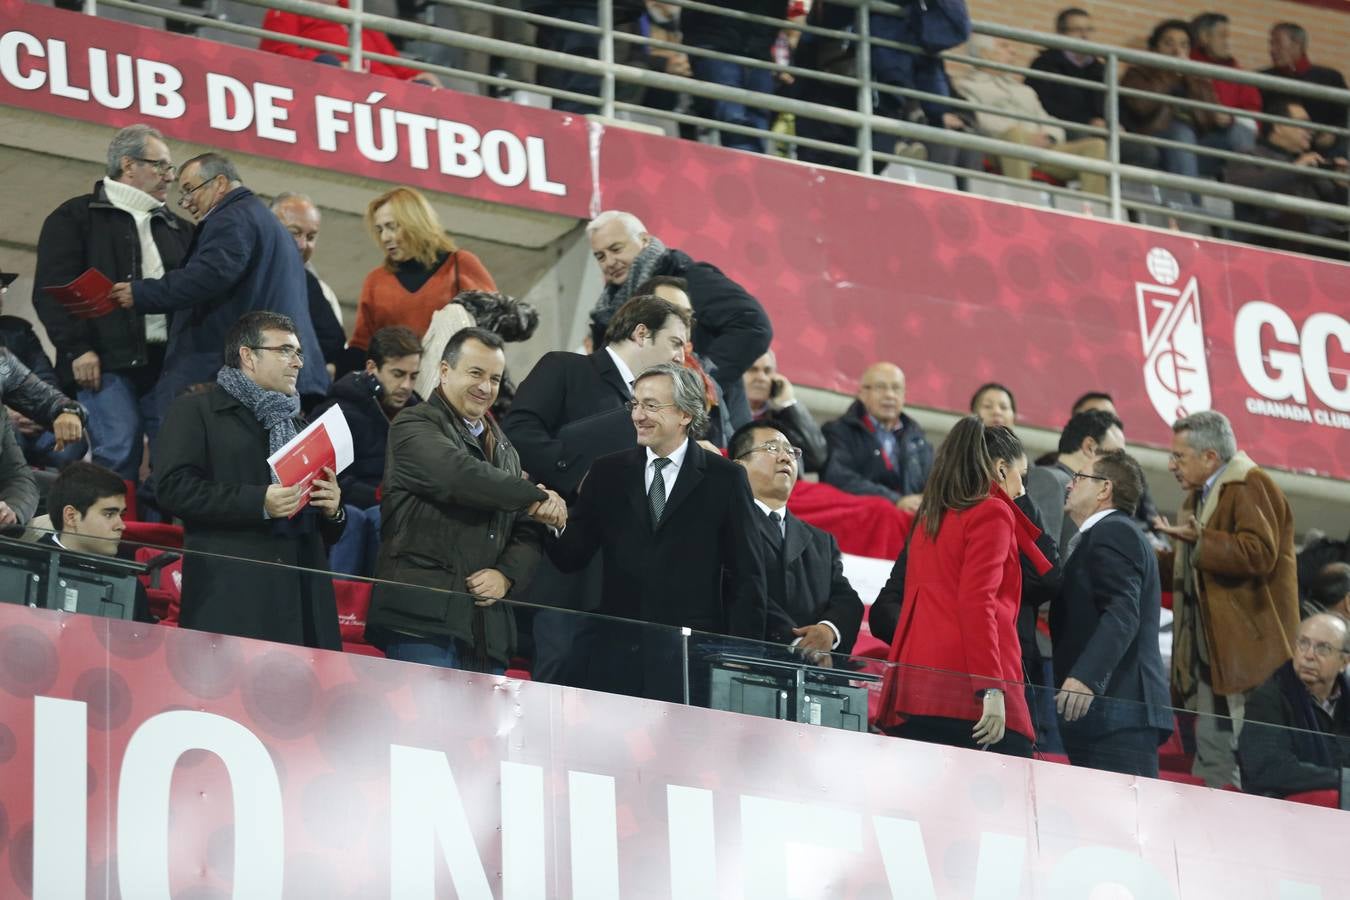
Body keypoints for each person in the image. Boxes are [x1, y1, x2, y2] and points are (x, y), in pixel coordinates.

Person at [548, 362, 768, 702]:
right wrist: (553, 519)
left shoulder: (725, 479)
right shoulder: (608, 472)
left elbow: (747, 574)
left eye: (651, 405)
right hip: (612, 653)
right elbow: (572, 556)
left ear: (684, 414)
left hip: (686, 659)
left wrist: (739, 653)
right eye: (634, 404)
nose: (638, 415)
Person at [502, 294, 688, 684]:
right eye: (675, 343)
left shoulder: (666, 409)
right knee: (554, 691)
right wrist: (583, 478)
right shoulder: (566, 368)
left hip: (626, 582)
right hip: (563, 566)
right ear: (641, 333)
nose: (681, 357)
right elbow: (519, 434)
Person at [366, 328, 564, 673]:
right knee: (426, 728)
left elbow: (528, 530)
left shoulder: (506, 451)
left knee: (481, 731)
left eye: (495, 378)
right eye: (476, 373)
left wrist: (505, 577)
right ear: (444, 371)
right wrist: (537, 497)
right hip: (422, 622)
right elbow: (460, 476)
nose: (486, 387)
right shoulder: (413, 425)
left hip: (487, 632)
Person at [155, 311, 346, 649]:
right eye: (285, 351)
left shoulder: (301, 428)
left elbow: (326, 531)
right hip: (231, 598)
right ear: (248, 356)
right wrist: (258, 502)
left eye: (299, 353)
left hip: (303, 604)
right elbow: (173, 489)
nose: (298, 363)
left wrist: (333, 509)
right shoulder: (195, 411)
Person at [870, 422, 1062, 751]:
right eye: (1022, 475)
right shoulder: (993, 512)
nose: (1021, 489)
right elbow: (978, 602)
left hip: (915, 690)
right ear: (1002, 469)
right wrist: (992, 689)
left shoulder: (932, 516)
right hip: (971, 692)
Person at [109, 153, 331, 413]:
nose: (186, 202)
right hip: (280, 375)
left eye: (191, 190)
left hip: (238, 377)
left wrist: (142, 293)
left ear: (220, 183)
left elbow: (207, 275)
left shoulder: (231, 217)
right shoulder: (270, 227)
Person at [33, 124, 192, 481]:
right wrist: (78, 349)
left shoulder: (181, 231)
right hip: (102, 362)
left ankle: (152, 536)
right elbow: (51, 291)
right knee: (119, 447)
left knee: (175, 460)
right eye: (161, 166)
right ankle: (98, 535)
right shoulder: (74, 216)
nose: (170, 176)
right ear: (128, 164)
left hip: (168, 366)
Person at [1155, 410, 1299, 788]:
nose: (1171, 464)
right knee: (1213, 751)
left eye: (1179, 456)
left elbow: (1258, 552)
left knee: (1243, 754)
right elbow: (1197, 564)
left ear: (1210, 457)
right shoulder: (1198, 497)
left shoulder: (1249, 484)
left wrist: (1200, 540)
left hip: (1249, 655)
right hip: (1214, 652)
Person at [585, 210, 772, 428]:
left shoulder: (689, 278)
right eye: (600, 256)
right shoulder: (607, 310)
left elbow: (753, 324)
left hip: (709, 426)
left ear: (645, 240)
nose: (610, 261)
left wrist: (698, 381)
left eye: (616, 249)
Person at [1053, 449, 1172, 776]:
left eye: (1079, 478)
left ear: (1104, 489)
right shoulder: (1107, 534)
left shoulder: (1113, 531)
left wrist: (1086, 677)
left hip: (1118, 711)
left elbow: (1122, 612)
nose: (1069, 485)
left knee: (1119, 823)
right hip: (1109, 713)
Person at [730, 422, 863, 658]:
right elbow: (736, 591)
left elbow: (847, 599)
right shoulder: (725, 523)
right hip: (743, 662)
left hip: (809, 675)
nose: (785, 458)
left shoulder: (821, 541)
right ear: (739, 466)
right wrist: (800, 642)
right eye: (772, 448)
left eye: (791, 451)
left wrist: (828, 630)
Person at [311, 326, 422, 577]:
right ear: (372, 368)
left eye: (414, 376)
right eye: (398, 374)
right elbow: (327, 480)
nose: (406, 385)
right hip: (353, 516)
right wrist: (384, 496)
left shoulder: (421, 416)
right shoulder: (335, 413)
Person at [349, 187, 497, 352]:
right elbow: (361, 345)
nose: (385, 237)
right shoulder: (375, 281)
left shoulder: (460, 264)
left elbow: (493, 327)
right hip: (401, 377)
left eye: (392, 227)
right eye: (380, 230)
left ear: (416, 223)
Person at [953, 37, 1107, 195]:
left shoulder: (1025, 91)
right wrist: (1025, 137)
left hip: (1041, 149)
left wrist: (1049, 138)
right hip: (1001, 148)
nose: (1012, 51)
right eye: (1004, 46)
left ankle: (1095, 213)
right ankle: (1023, 205)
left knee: (1096, 147)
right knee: (1014, 135)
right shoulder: (966, 86)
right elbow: (979, 120)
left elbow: (1048, 120)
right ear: (984, 53)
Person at [1119, 20, 1254, 180]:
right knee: (1181, 132)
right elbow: (1141, 106)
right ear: (1155, 49)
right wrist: (1171, 73)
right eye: (1169, 44)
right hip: (1158, 136)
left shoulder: (1197, 77)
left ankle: (1248, 196)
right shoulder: (1138, 73)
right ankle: (1190, 204)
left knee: (1240, 130)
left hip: (1197, 141)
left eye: (1184, 45)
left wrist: (1222, 120)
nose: (1177, 50)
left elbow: (1210, 111)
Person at [1239, 614, 1350, 799]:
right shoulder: (1268, 698)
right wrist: (1342, 779)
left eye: (1323, 648)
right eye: (1303, 643)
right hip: (1282, 812)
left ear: (1344, 662)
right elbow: (1270, 769)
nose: (1308, 655)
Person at [1224, 99, 1348, 258]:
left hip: (1323, 242)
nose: (1311, 130)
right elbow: (1241, 188)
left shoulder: (1307, 162)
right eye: (1303, 123)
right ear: (1279, 126)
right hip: (1274, 245)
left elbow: (1334, 213)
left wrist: (1340, 185)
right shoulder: (1250, 156)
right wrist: (1294, 170)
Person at [39, 461, 153, 623]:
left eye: (122, 515)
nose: (121, 525)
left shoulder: (129, 585)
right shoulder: (21, 566)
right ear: (71, 517)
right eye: (109, 514)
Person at [822, 362, 933, 513]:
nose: (889, 395)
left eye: (896, 388)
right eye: (880, 387)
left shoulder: (917, 439)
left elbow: (933, 484)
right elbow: (839, 478)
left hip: (911, 523)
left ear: (904, 395)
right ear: (862, 393)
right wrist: (895, 500)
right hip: (864, 520)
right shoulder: (839, 431)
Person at [0, 272, 84, 470]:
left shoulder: (18, 330)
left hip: (31, 418)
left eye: (1, 288)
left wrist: (51, 412)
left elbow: (44, 378)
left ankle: (51, 496)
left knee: (71, 440)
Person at [680, 1, 787, 153]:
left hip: (758, 48)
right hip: (716, 41)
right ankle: (747, 169)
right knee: (733, 116)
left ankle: (748, 168)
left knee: (757, 120)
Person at [259, 0, 442, 84]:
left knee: (425, 86)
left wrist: (419, 74)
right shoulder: (288, 8)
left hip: (386, 95)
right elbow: (277, 54)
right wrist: (333, 64)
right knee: (327, 65)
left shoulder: (359, 17)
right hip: (332, 88)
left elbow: (394, 61)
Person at [270, 193, 350, 379]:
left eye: (311, 236)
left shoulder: (316, 288)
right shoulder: (241, 275)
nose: (302, 244)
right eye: (294, 232)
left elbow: (335, 347)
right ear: (268, 228)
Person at [1024, 408, 1124, 553]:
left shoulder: (1091, 493)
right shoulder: (1049, 479)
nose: (1121, 465)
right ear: (1090, 447)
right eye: (1116, 456)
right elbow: (1039, 558)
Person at [1261, 23, 1348, 156]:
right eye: (1271, 44)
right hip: (1277, 152)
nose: (1272, 50)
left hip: (1324, 152)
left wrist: (1333, 134)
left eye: (1278, 43)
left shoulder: (1330, 77)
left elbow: (1343, 116)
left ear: (1298, 45)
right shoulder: (1263, 78)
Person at [743, 349, 828, 473]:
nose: (761, 378)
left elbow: (816, 459)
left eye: (767, 371)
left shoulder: (783, 417)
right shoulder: (724, 414)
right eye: (752, 370)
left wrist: (789, 404)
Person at [1027, 9, 1106, 138]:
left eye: (1089, 30)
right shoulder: (1044, 64)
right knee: (1084, 138)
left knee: (1144, 151)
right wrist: (1087, 121)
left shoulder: (1100, 69)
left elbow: (1111, 106)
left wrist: (1111, 124)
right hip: (1061, 128)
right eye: (1077, 30)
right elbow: (1043, 105)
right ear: (1061, 33)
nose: (1085, 35)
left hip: (1100, 131)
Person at [1189, 13, 1262, 119]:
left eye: (1228, 37)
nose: (1228, 43)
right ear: (1204, 36)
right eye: (1222, 36)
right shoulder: (1188, 65)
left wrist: (1230, 119)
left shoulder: (1239, 74)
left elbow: (1253, 111)